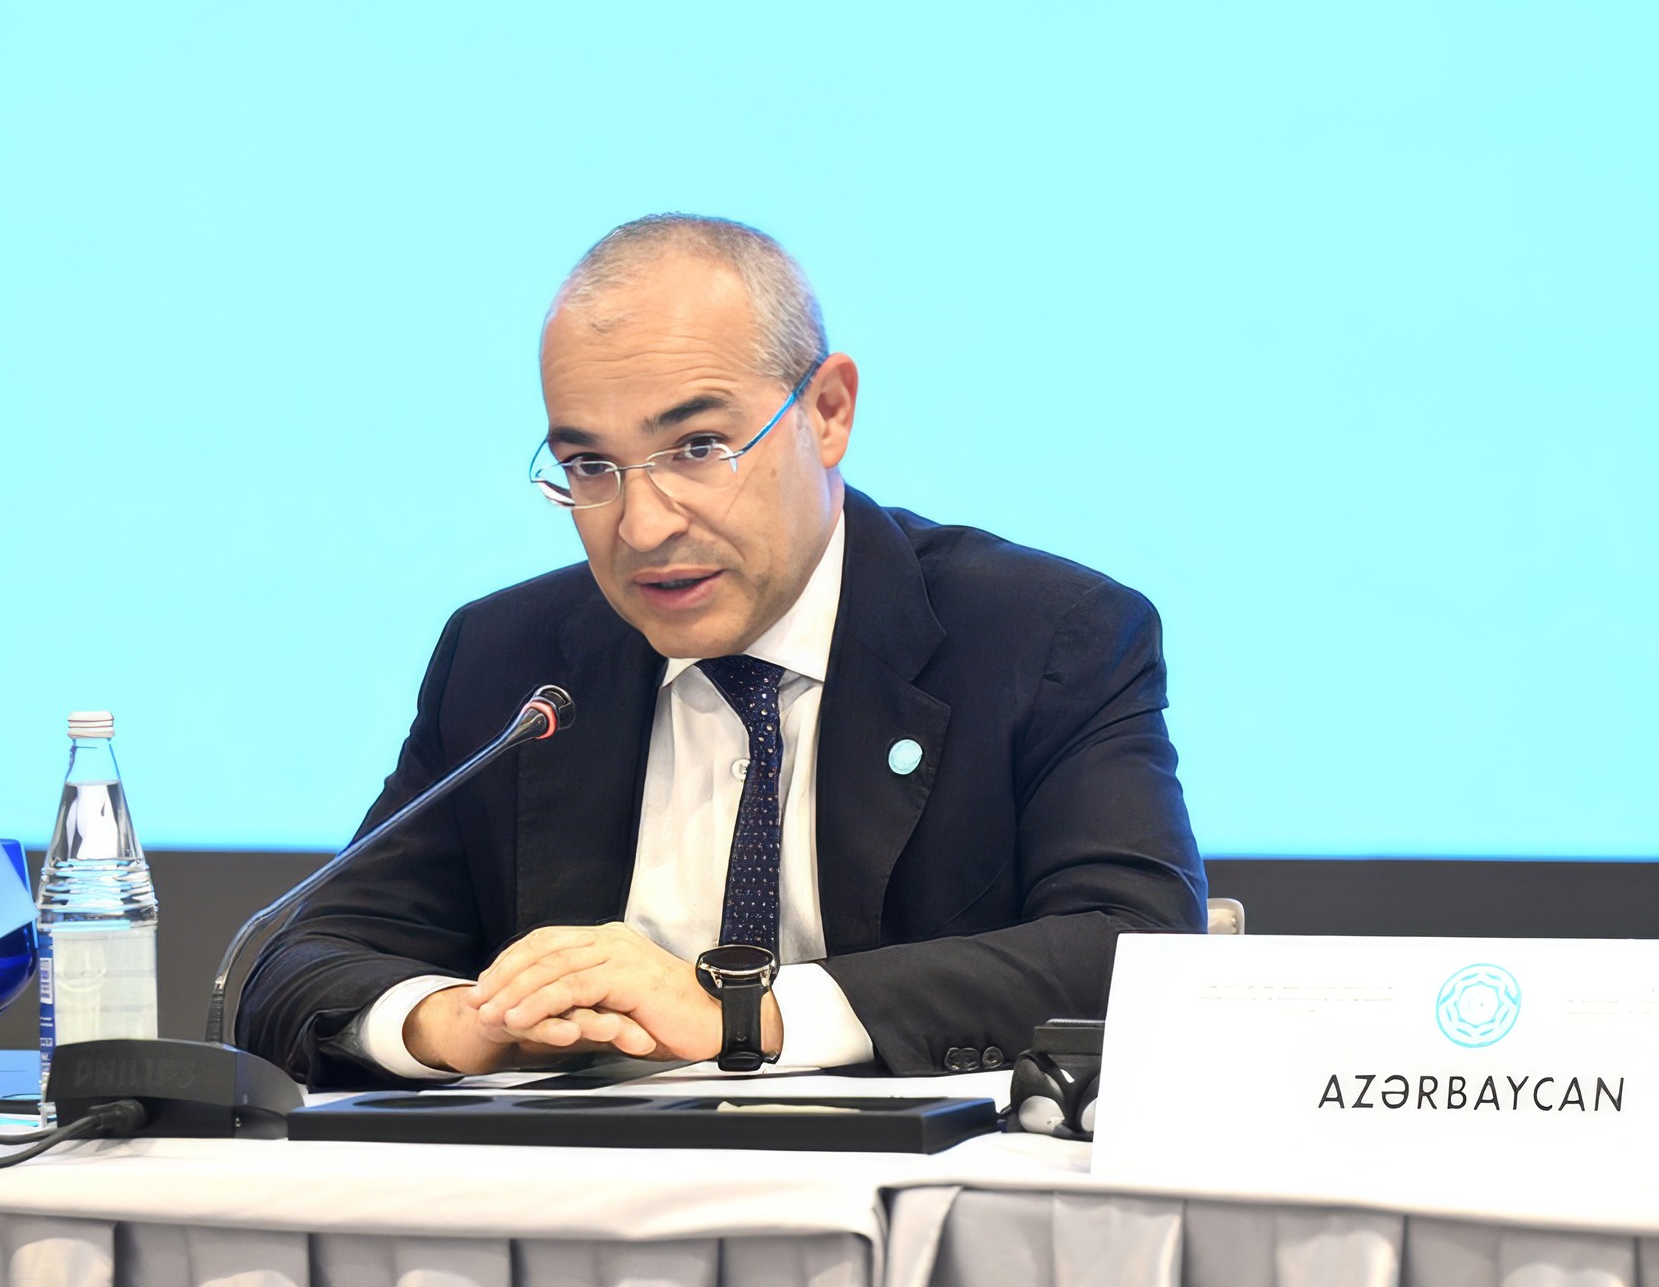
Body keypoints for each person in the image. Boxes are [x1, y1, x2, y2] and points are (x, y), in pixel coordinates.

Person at [236, 214, 1206, 1086]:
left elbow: (1136, 946)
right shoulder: (509, 657)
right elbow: (301, 963)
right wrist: (459, 1020)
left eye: (697, 447)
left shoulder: (1043, 635)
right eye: (589, 466)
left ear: (827, 411)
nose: (642, 526)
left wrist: (744, 1015)